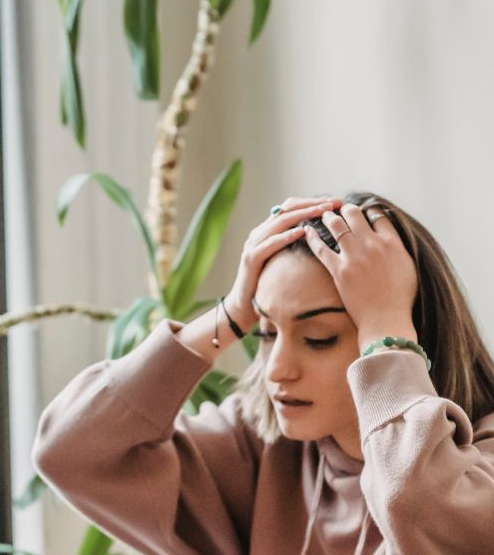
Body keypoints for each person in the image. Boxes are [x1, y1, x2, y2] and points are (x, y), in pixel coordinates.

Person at [33, 193, 494, 554]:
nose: (277, 369)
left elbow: (415, 508)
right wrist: (231, 315)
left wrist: (388, 332)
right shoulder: (261, 452)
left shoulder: (477, 468)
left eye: (318, 338)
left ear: (410, 337)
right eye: (267, 332)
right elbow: (69, 452)